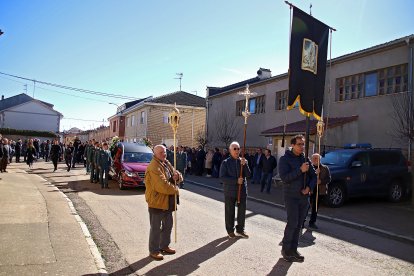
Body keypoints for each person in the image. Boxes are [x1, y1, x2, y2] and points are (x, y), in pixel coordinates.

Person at [278, 135, 316, 262]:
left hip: (303, 197)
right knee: (292, 222)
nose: (302, 147)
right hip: (291, 196)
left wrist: (309, 188)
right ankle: (286, 249)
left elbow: (314, 177)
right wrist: (300, 170)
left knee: (299, 224)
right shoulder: (285, 159)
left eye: (303, 144)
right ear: (293, 145)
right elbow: (285, 178)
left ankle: (294, 249)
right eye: (299, 144)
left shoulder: (305, 159)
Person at [144, 145, 183, 261]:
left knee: (168, 225)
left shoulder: (166, 163)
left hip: (167, 202)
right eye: (161, 152)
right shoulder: (153, 167)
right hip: (157, 201)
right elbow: (162, 186)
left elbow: (178, 174)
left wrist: (178, 176)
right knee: (156, 228)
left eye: (165, 152)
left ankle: (164, 245)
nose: (164, 154)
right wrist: (176, 189)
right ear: (155, 154)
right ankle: (154, 250)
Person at [220, 141, 251, 239]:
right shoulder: (225, 163)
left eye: (238, 149)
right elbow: (222, 178)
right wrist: (236, 181)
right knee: (230, 212)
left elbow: (249, 175)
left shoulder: (243, 161)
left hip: (242, 191)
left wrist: (245, 165)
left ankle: (240, 230)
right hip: (230, 191)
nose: (237, 151)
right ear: (230, 150)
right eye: (235, 149)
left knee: (242, 212)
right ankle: (230, 230)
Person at [306, 153, 331, 229]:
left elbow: (329, 179)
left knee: (315, 208)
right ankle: (302, 221)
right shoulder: (309, 168)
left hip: (320, 191)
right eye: (313, 158)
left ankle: (312, 222)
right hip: (310, 189)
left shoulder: (325, 168)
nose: (314, 160)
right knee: (306, 206)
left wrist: (321, 181)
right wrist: (314, 174)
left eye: (316, 158)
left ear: (320, 159)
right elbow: (305, 178)